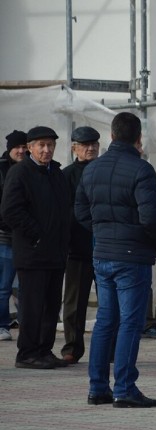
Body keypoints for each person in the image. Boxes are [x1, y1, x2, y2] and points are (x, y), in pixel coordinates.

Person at [76, 112, 156, 406]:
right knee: (130, 322)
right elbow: (151, 216)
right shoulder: (141, 170)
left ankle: (97, 387)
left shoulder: (91, 170)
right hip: (132, 257)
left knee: (105, 320)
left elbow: (80, 212)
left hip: (102, 253)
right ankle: (125, 388)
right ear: (138, 138)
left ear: (112, 137)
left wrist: (103, 232)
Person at [0, 126, 70, 369]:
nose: (46, 149)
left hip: (56, 253)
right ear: (30, 148)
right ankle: (27, 353)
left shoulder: (57, 173)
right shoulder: (20, 173)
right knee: (32, 306)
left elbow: (64, 210)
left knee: (51, 306)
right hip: (32, 253)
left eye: (50, 145)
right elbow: (10, 210)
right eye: (41, 145)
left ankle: (44, 350)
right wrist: (37, 235)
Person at [60, 126, 100, 363]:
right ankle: (72, 348)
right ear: (74, 148)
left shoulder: (105, 170)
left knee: (110, 302)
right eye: (85, 144)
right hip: (77, 248)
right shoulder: (66, 176)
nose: (91, 148)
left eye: (94, 143)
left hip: (106, 246)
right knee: (74, 303)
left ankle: (111, 348)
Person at [0, 129, 28, 342]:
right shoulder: (2, 170)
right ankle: (2, 325)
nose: (20, 151)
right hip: (6, 237)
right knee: (5, 285)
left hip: (27, 236)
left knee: (25, 286)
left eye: (23, 147)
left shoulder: (32, 169)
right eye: (16, 147)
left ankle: (26, 323)